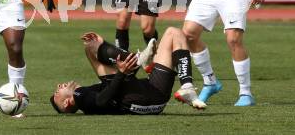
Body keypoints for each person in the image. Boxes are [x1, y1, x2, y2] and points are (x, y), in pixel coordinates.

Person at [50, 28, 206, 114]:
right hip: (138, 101)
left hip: (153, 94)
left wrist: (102, 47)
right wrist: (121, 73)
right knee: (91, 48)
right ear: (66, 103)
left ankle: (187, 87)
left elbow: (111, 89)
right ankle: (138, 60)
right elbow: (101, 101)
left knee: (174, 33)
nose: (58, 86)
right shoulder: (80, 96)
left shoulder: (85, 95)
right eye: (57, 92)